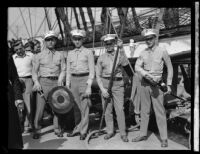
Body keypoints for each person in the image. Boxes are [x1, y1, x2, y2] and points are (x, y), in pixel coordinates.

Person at [132, 29, 173, 148]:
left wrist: (169, 84)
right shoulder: (143, 52)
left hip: (157, 85)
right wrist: (146, 75)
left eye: (150, 38)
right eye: (146, 39)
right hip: (145, 84)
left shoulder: (162, 51)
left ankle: (164, 138)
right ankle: (143, 134)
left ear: (155, 38)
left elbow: (170, 68)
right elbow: (137, 67)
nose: (148, 41)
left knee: (160, 112)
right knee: (144, 111)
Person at [32, 30, 66, 139]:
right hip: (43, 82)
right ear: (45, 42)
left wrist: (61, 78)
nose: (50, 42)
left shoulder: (60, 55)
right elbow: (34, 72)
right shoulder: (39, 56)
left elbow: (63, 69)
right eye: (48, 40)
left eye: (52, 39)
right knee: (40, 108)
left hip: (56, 83)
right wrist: (36, 82)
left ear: (55, 41)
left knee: (57, 107)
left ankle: (57, 129)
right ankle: (37, 130)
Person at [96, 34, 129, 142]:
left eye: (111, 43)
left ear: (114, 43)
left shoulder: (120, 54)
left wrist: (122, 48)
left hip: (118, 84)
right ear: (105, 45)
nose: (109, 45)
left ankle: (123, 133)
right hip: (105, 84)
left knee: (120, 109)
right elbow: (98, 76)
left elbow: (125, 64)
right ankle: (110, 131)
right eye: (107, 43)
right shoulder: (101, 58)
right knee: (107, 110)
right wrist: (102, 89)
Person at [66, 29, 95, 140]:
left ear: (82, 39)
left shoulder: (88, 53)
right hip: (73, 80)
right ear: (72, 40)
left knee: (84, 107)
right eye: (75, 39)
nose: (77, 41)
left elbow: (92, 71)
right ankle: (77, 128)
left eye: (79, 39)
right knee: (76, 107)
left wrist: (88, 86)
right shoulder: (70, 54)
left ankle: (84, 130)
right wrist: (68, 84)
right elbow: (68, 71)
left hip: (84, 79)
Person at [12, 40, 34, 134]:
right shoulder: (12, 58)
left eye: (20, 48)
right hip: (17, 82)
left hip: (28, 80)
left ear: (23, 47)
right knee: (19, 105)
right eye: (16, 49)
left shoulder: (31, 56)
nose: (19, 51)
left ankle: (30, 125)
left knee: (29, 104)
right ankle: (22, 125)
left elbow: (36, 69)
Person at [8, 47, 24, 149]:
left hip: (8, 96)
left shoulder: (8, 57)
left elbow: (14, 78)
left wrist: (18, 97)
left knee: (11, 125)